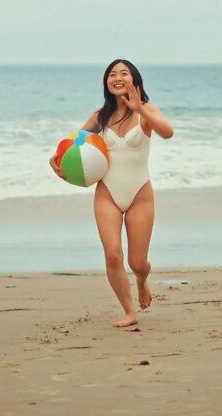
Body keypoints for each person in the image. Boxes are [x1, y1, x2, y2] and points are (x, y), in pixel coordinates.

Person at [49, 59, 175, 327]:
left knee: (138, 262)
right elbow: (74, 143)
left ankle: (142, 281)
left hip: (140, 192)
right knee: (113, 255)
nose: (117, 77)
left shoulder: (147, 111)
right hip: (107, 192)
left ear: (135, 79)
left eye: (124, 73)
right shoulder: (99, 117)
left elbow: (168, 132)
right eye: (112, 74)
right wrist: (56, 159)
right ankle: (130, 311)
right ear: (106, 82)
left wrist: (140, 108)